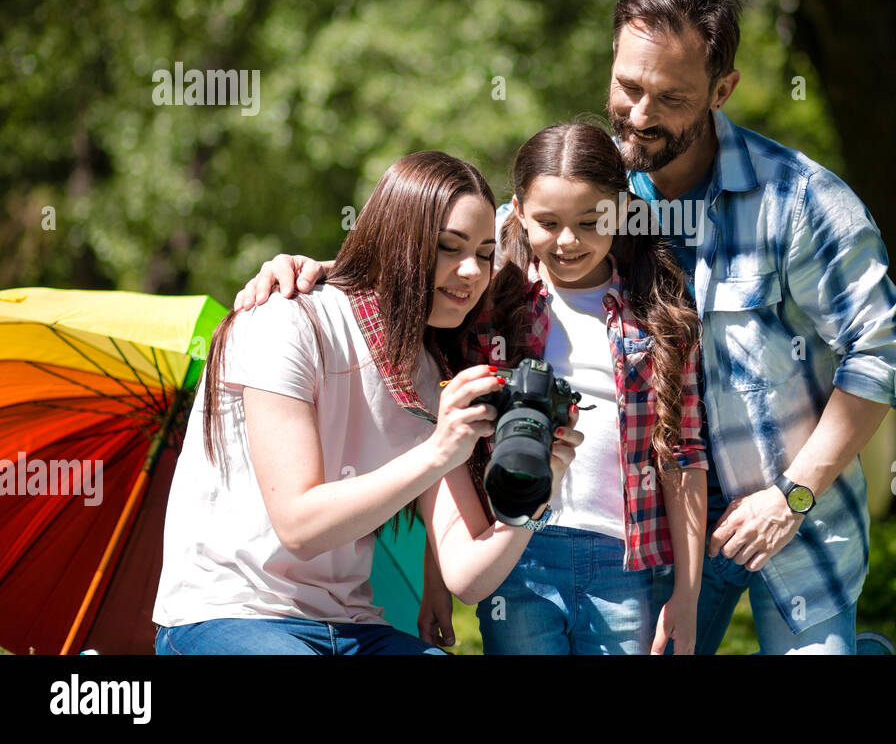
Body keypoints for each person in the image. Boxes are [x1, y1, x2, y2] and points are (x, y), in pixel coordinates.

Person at [233, 0, 896, 655]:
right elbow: (449, 253)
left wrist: (793, 495)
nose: (641, 115)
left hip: (784, 513)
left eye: (670, 97)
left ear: (722, 90)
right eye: (628, 86)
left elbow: (880, 352)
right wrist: (326, 271)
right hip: (656, 532)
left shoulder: (800, 202)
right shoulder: (592, 191)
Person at [152, 151, 581, 654]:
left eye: (486, 253)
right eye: (449, 247)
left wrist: (536, 498)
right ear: (398, 243)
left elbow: (467, 573)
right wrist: (441, 449)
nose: (473, 271)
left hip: (352, 626)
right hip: (230, 614)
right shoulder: (285, 321)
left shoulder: (428, 376)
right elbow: (300, 525)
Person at [424, 122, 707, 654]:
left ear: (621, 209)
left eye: (589, 220)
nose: (569, 240)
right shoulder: (494, 304)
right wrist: (435, 578)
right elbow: (452, 454)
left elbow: (683, 455)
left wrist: (686, 594)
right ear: (518, 214)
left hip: (624, 561)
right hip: (514, 555)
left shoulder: (658, 315)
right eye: (548, 223)